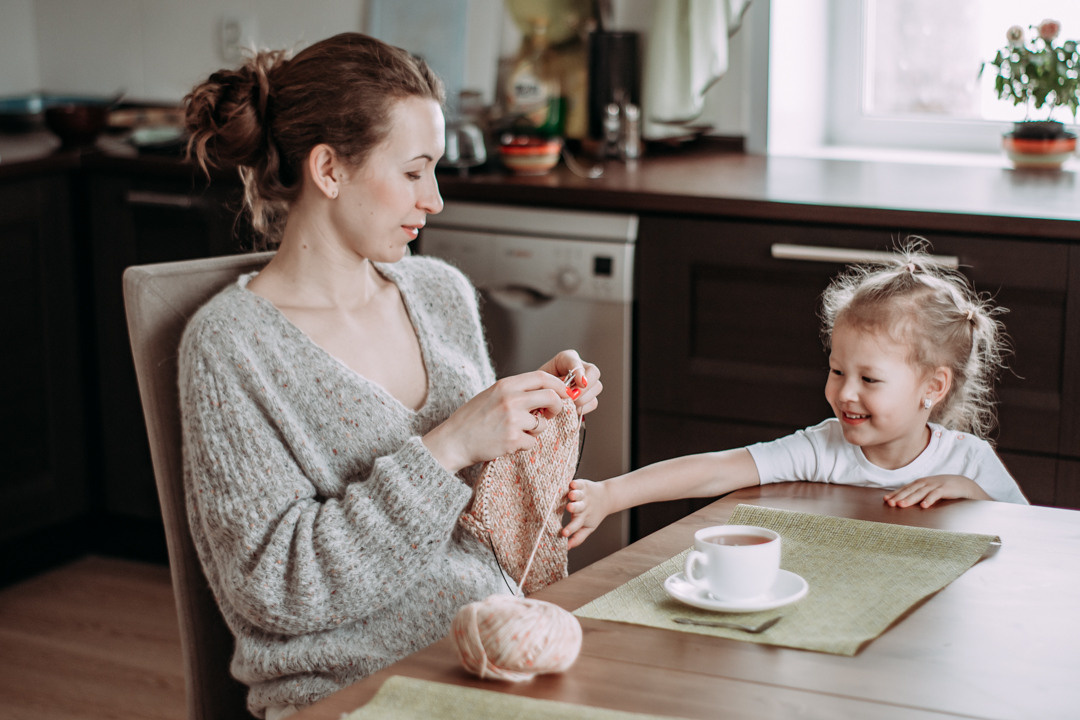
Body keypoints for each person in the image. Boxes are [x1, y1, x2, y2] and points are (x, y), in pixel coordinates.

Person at [178, 32, 601, 718]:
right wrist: (449, 445)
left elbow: (489, 530)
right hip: (345, 693)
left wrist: (533, 414)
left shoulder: (440, 292)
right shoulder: (232, 345)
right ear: (328, 169)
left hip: (494, 658)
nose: (434, 200)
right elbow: (276, 590)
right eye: (413, 172)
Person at [563, 242, 1028, 550]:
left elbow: (1035, 542)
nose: (845, 392)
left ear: (934, 387)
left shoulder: (969, 462)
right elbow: (717, 469)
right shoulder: (824, 448)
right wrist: (609, 494)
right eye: (837, 371)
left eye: (869, 380)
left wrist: (977, 498)